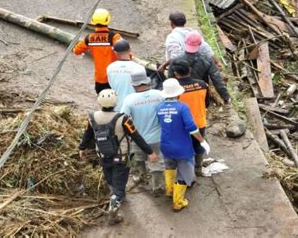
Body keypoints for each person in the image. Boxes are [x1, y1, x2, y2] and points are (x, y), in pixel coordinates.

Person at [79, 89, 158, 225]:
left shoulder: (92, 118)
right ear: (115, 102)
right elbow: (136, 136)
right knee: (120, 182)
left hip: (103, 156)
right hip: (121, 157)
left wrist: (82, 148)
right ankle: (114, 207)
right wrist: (150, 152)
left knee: (110, 178)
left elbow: (87, 135)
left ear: (99, 102)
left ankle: (116, 194)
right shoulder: (123, 119)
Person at [157, 78, 210, 212]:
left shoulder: (159, 107)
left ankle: (169, 191)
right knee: (185, 174)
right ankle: (178, 202)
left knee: (169, 167)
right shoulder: (182, 107)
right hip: (182, 147)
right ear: (178, 93)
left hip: (165, 145)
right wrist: (202, 140)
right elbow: (191, 127)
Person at [121, 68, 165, 196]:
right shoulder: (159, 95)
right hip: (157, 137)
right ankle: (158, 186)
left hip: (138, 137)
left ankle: (141, 177)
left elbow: (123, 118)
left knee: (138, 158)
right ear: (146, 81)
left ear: (134, 84)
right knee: (156, 161)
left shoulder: (129, 99)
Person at [169, 31, 231, 104]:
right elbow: (217, 79)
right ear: (200, 44)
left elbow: (170, 78)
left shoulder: (175, 60)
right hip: (200, 94)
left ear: (185, 42)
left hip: (181, 94)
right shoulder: (207, 60)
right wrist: (226, 97)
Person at [173, 59, 210, 176]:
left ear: (175, 73)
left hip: (181, 125)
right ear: (190, 70)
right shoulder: (202, 85)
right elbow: (207, 103)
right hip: (199, 122)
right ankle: (198, 168)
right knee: (199, 146)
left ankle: (185, 171)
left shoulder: (175, 89)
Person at [73, 8, 122, 94]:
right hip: (115, 78)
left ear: (93, 21)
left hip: (100, 80)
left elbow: (76, 50)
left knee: (104, 103)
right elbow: (126, 53)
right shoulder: (114, 37)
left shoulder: (90, 38)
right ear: (107, 20)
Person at [107, 39, 144, 112]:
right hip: (135, 107)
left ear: (115, 53)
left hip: (117, 107)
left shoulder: (110, 68)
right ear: (130, 50)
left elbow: (112, 85)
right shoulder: (139, 68)